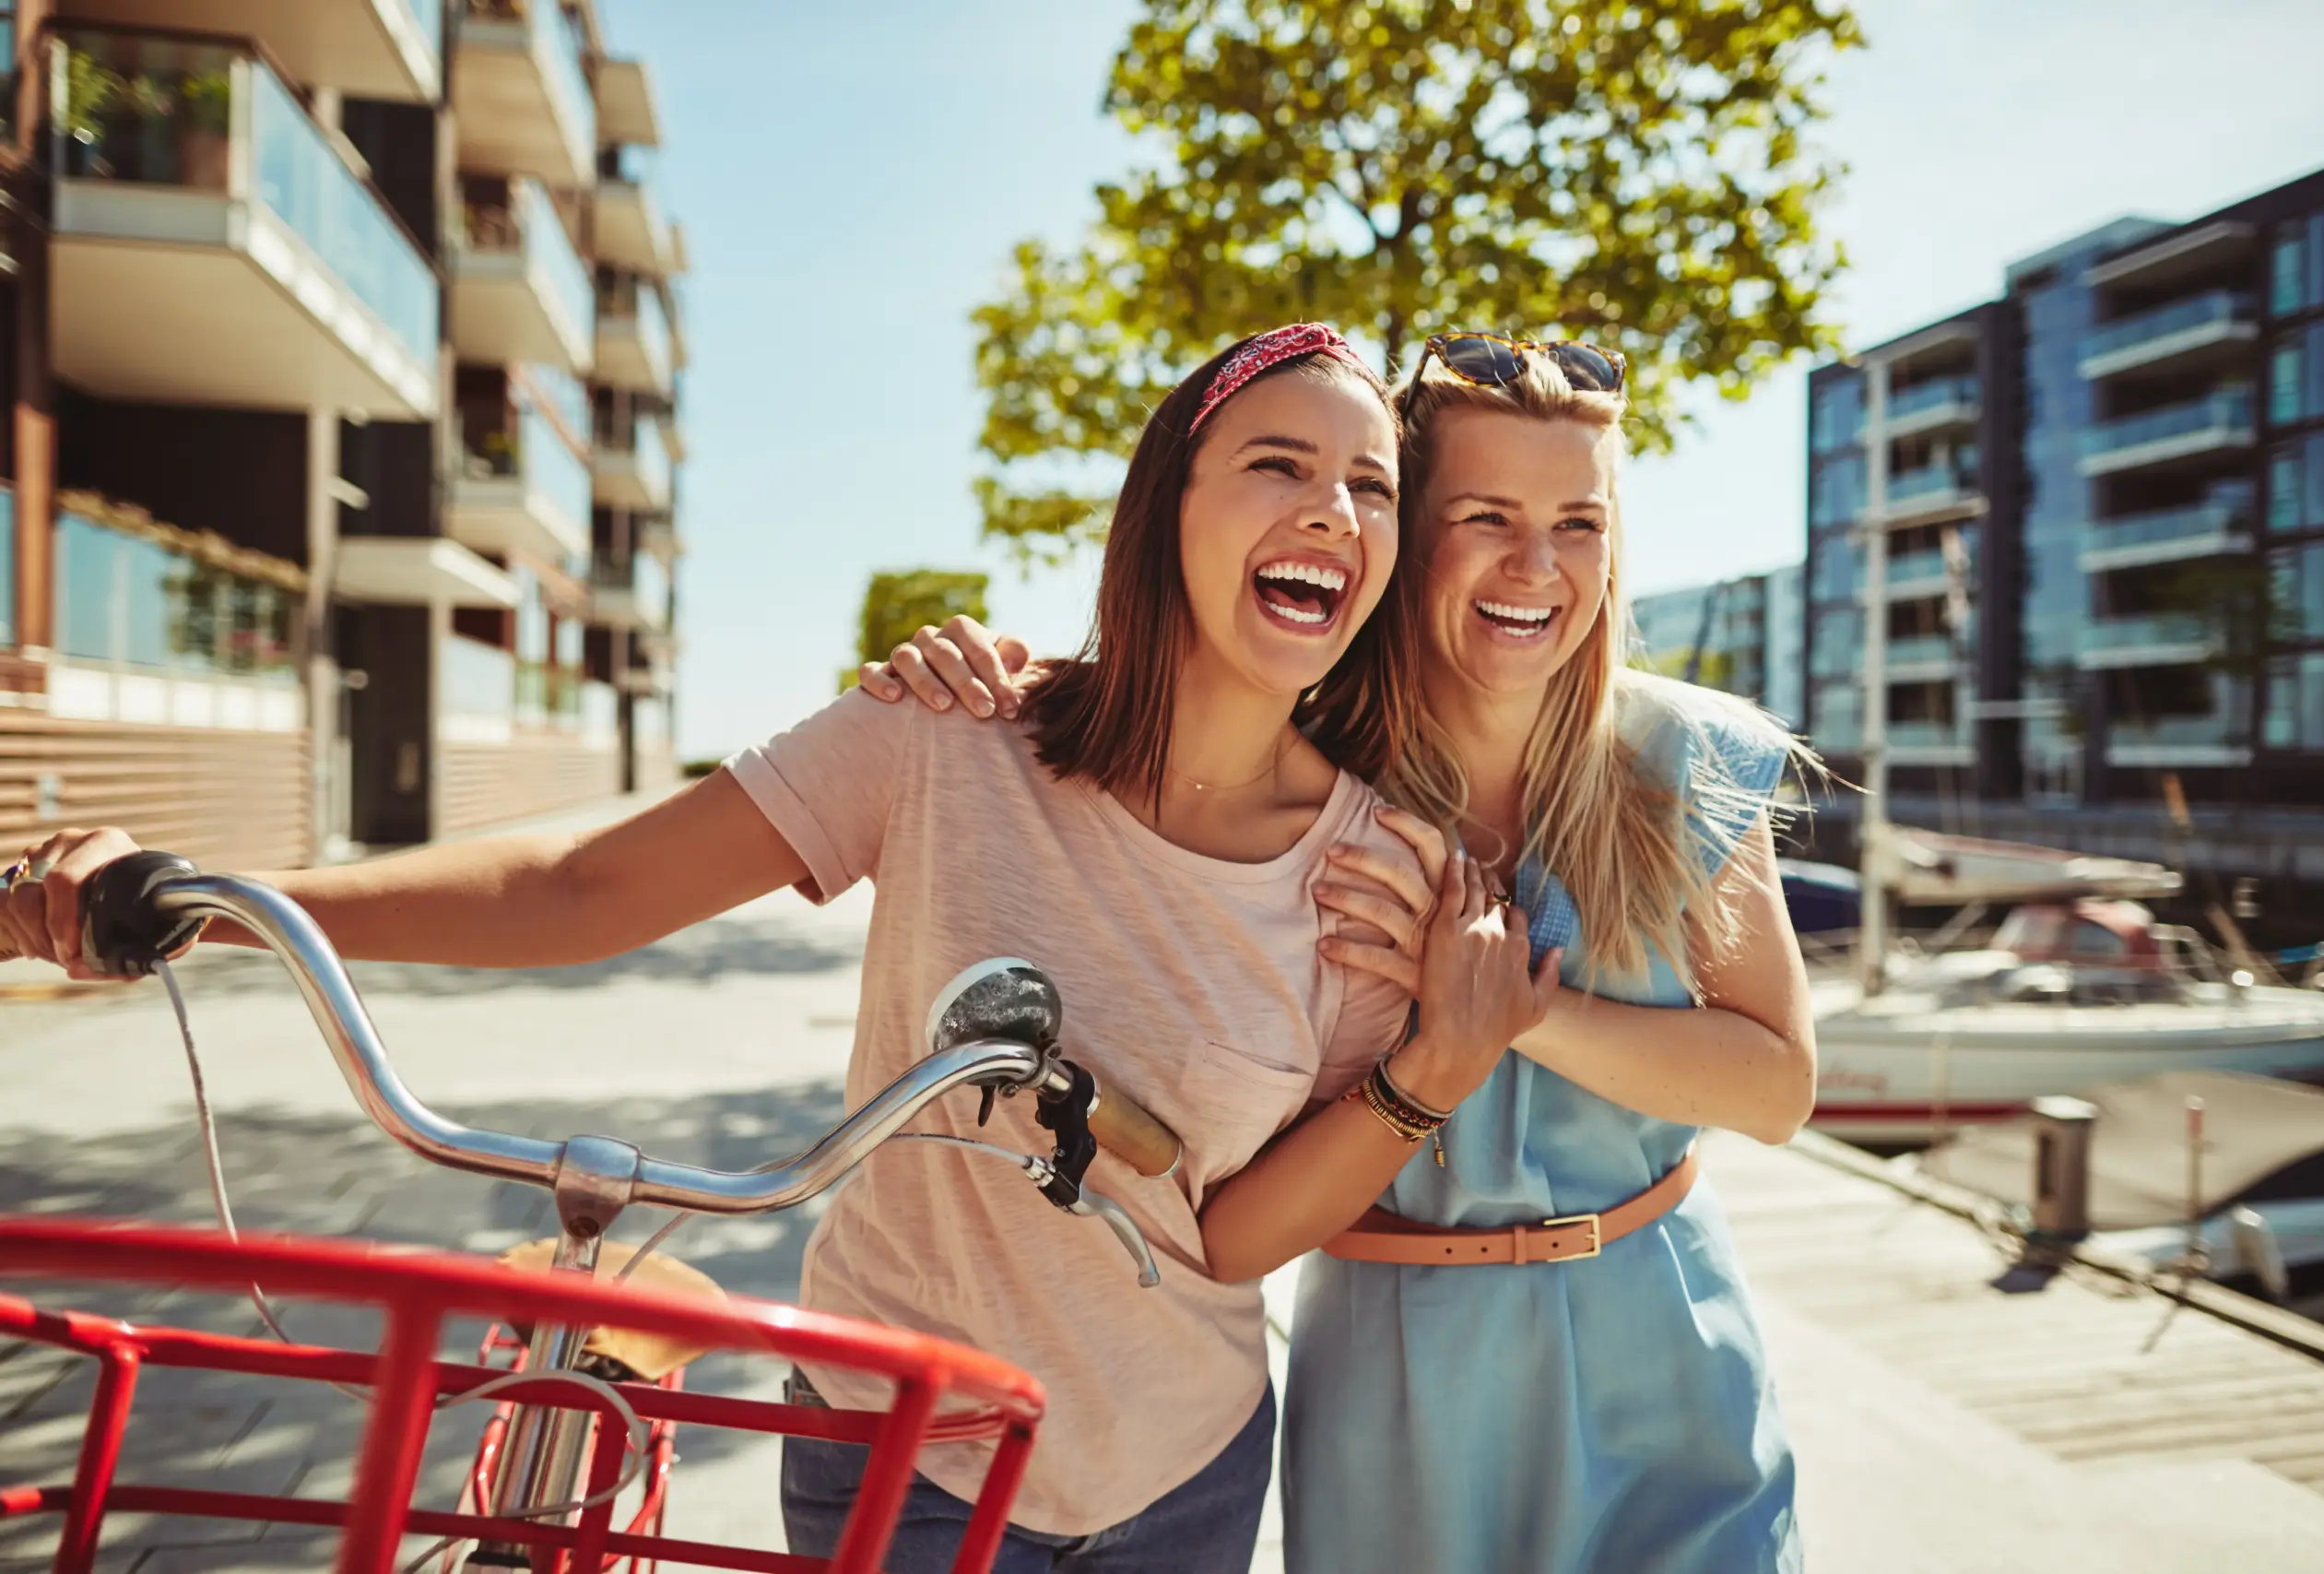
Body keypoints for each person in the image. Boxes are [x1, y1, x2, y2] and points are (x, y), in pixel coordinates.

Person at [0, 325, 1534, 1574]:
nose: (1336, 511)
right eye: (1279, 464)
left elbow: (1243, 1233)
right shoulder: (949, 734)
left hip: (1185, 1472)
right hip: (901, 1450)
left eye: (1371, 487)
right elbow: (579, 886)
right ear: (1167, 508)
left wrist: (1431, 1071)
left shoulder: (1380, 869)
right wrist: (206, 894)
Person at [857, 331, 1820, 1572]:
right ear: (1407, 534)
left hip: (1667, 1350)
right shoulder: (1300, 774)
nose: (1538, 565)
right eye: (1486, 515)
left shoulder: (1684, 758)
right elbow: (1115, 736)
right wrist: (970, 681)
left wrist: (1506, 1009)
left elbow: (1778, 1082)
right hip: (1400, 1378)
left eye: (1580, 522)